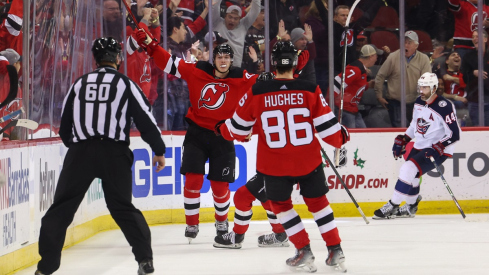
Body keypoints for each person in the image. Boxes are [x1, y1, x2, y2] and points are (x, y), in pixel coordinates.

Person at [35, 37, 166, 275]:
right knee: (123, 208)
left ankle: (46, 267)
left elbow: (65, 127)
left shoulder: (79, 84)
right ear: (117, 58)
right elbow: (145, 119)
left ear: (95, 59)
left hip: (81, 152)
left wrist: (78, 149)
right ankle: (144, 260)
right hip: (114, 153)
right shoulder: (125, 84)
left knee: (61, 209)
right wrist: (158, 150)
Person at [217, 41, 350, 273]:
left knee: (280, 205)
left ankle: (304, 250)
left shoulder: (257, 91)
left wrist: (221, 128)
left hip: (274, 164)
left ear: (274, 63)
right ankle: (335, 249)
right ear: (295, 62)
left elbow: (237, 130)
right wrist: (343, 136)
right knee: (319, 204)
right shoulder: (310, 89)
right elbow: (331, 133)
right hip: (308, 160)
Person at [135, 29, 259, 243]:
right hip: (197, 134)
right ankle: (192, 222)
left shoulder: (241, 77)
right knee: (193, 180)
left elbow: (268, 82)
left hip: (224, 134)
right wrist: (150, 44)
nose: (223, 60)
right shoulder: (197, 70)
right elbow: (169, 62)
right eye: (219, 56)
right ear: (213, 59)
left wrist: (294, 71)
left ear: (231, 60)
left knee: (220, 186)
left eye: (227, 57)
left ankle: (221, 221)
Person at [373, 72, 461, 219]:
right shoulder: (419, 101)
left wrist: (439, 147)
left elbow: (455, 134)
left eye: (425, 87)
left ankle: (392, 206)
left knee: (408, 168)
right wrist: (405, 138)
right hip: (421, 145)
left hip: (438, 149)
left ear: (434, 88)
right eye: (420, 87)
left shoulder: (444, 106)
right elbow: (415, 124)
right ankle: (410, 207)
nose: (421, 90)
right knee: (412, 175)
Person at [375, 31, 432, 127]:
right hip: (396, 102)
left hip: (416, 101)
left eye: (409, 43)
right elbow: (380, 76)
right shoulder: (393, 57)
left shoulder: (424, 59)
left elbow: (427, 81)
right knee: (400, 130)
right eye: (404, 42)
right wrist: (379, 96)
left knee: (417, 130)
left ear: (416, 46)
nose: (406, 45)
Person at [333, 44, 381, 128]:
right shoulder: (355, 70)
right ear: (371, 56)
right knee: (350, 137)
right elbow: (337, 83)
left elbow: (355, 85)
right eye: (376, 56)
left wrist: (367, 85)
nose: (377, 58)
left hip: (353, 110)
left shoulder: (362, 70)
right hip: (345, 110)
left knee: (363, 134)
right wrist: (330, 105)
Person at [211, 0, 261, 67]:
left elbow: (256, 10)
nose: (232, 20)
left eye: (235, 18)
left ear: (240, 19)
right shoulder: (217, 22)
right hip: (218, 65)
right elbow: (215, 5)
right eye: (230, 17)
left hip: (235, 67)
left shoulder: (243, 25)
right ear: (225, 16)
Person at [461, 29, 489, 126]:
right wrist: (474, 73)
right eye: (473, 37)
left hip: (488, 97)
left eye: (477, 36)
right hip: (474, 98)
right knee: (478, 128)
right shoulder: (468, 57)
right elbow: (464, 77)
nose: (474, 39)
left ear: (485, 39)